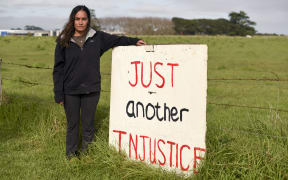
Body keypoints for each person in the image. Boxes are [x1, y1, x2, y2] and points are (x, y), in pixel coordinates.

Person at [53, 5, 146, 160]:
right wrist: (58, 93)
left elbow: (118, 39)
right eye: (77, 19)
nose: (80, 22)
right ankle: (71, 156)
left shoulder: (98, 37)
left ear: (88, 20)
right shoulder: (63, 41)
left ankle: (87, 154)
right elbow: (58, 69)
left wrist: (134, 41)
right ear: (72, 20)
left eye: (84, 19)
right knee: (73, 125)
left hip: (92, 89)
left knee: (88, 125)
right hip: (70, 90)